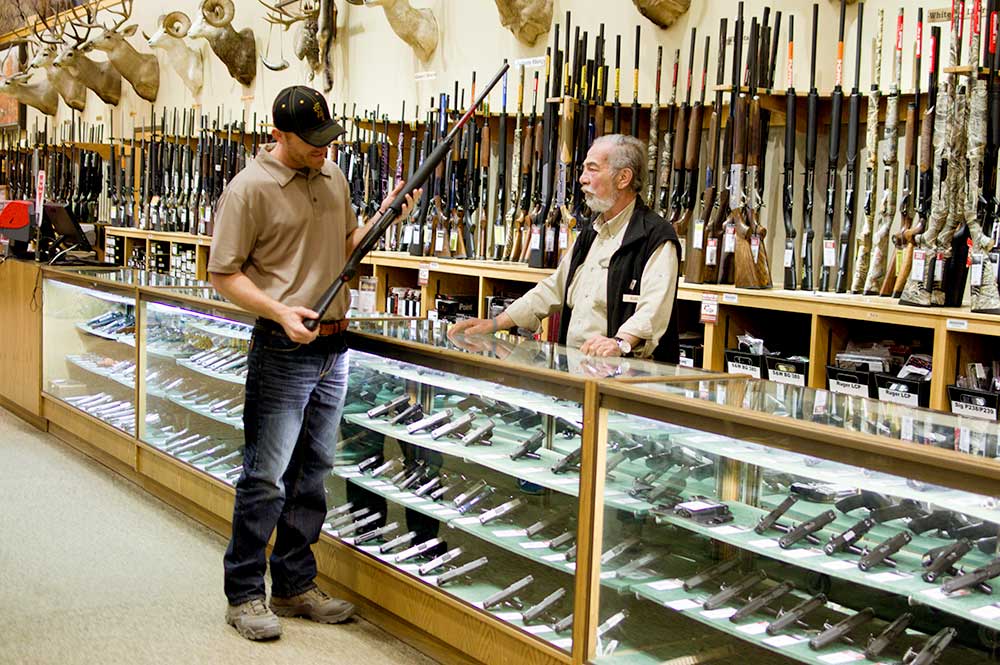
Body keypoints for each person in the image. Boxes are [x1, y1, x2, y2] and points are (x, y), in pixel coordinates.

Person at [208, 85, 419, 641]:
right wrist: (279, 311)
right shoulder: (248, 189)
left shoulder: (332, 176)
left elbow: (348, 245)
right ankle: (244, 594)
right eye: (311, 140)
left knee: (313, 475)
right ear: (279, 134)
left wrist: (387, 216)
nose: (323, 148)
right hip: (283, 348)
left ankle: (294, 585)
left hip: (333, 346)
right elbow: (223, 274)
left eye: (327, 137)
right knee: (265, 477)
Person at [449, 134, 680, 361]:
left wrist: (620, 342)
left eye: (592, 169)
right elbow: (554, 288)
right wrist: (495, 323)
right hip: (577, 367)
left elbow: (654, 309)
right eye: (583, 169)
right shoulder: (591, 232)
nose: (582, 179)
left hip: (624, 374)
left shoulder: (655, 236)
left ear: (623, 178)